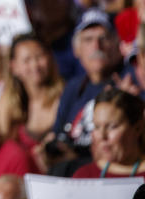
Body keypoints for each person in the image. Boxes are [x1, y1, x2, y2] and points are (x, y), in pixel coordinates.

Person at [52, 9, 126, 156]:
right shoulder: (73, 88)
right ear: (76, 50)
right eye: (88, 40)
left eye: (103, 38)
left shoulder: (128, 83)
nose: (96, 46)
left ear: (116, 44)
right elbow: (57, 136)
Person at [0, 33, 63, 160]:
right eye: (27, 60)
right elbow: (0, 141)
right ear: (14, 67)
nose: (35, 65)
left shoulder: (64, 96)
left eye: (39, 57)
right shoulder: (9, 102)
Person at [72, 88, 145, 179]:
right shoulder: (84, 176)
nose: (102, 136)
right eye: (97, 127)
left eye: (112, 127)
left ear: (137, 128)